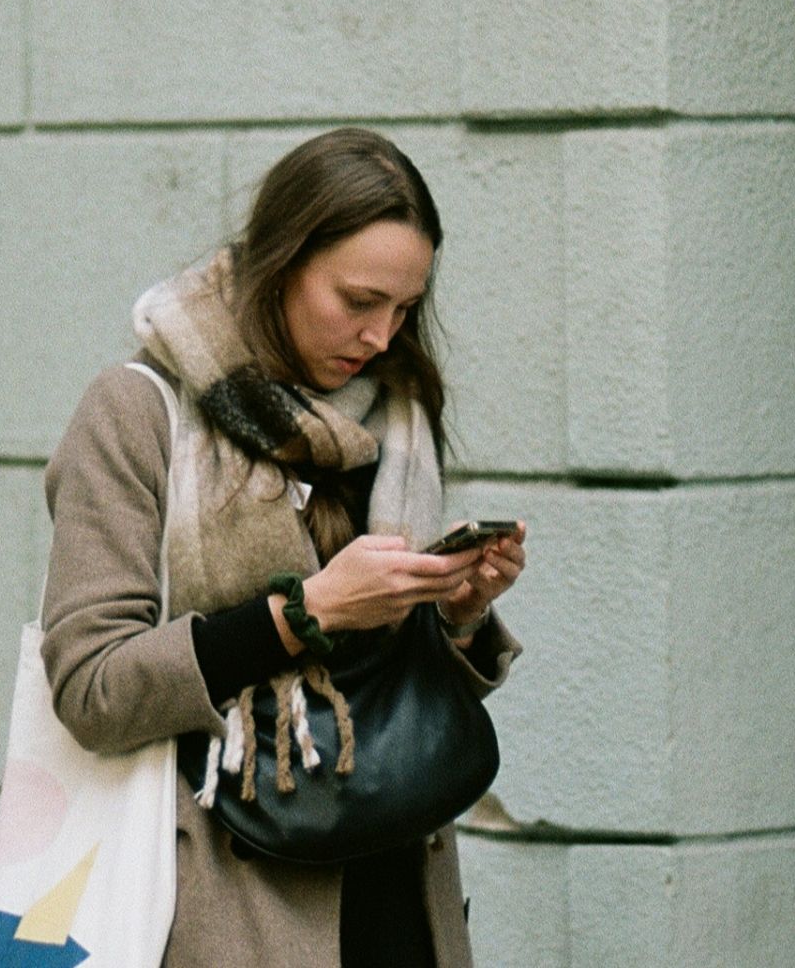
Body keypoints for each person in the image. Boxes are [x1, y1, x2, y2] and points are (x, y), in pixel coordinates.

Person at [39, 127, 526, 967]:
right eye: (358, 300)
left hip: (401, 894)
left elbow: (379, 694)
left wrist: (454, 613)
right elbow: (91, 687)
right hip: (232, 912)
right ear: (281, 262)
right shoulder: (138, 413)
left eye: (405, 309)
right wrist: (306, 615)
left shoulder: (391, 416)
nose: (381, 336)